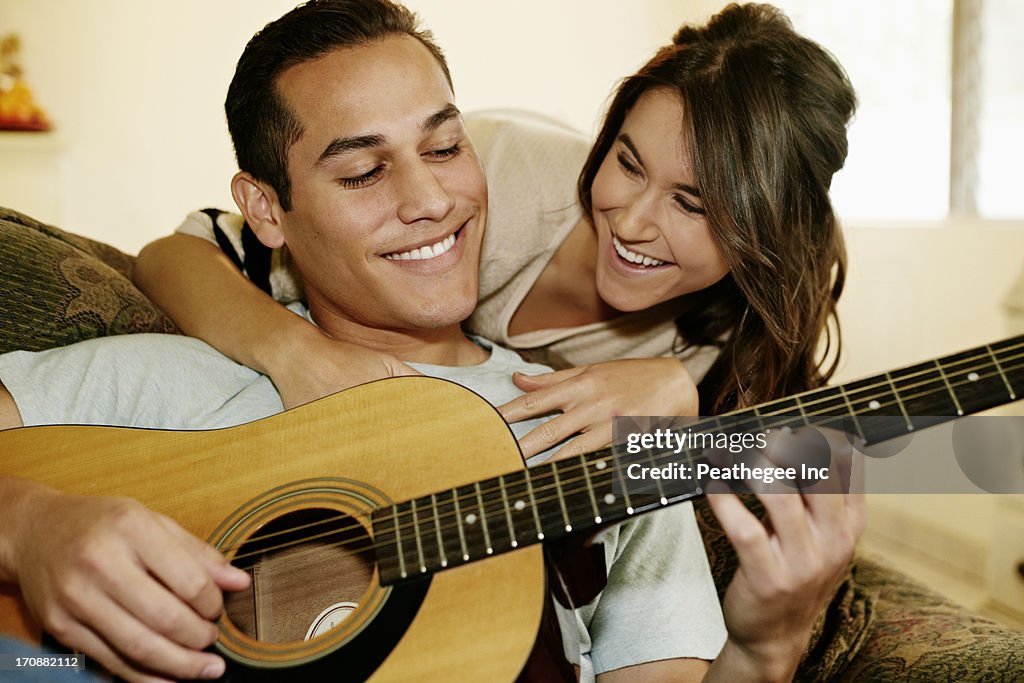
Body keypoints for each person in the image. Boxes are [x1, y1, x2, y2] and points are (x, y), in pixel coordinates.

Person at [0, 2, 862, 682]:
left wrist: (765, 647)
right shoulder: (162, 377)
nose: (431, 199)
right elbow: (172, 256)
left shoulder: (605, 440)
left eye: (445, 146)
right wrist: (30, 523)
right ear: (267, 209)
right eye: (365, 170)